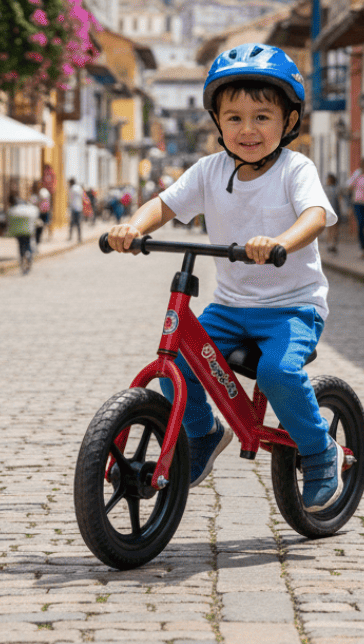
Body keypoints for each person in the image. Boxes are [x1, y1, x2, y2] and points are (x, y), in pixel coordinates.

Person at [106, 44, 343, 512]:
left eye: (262, 116)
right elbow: (164, 204)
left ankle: (320, 451)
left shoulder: (297, 169)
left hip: (292, 306)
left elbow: (316, 214)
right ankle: (203, 432)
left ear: (289, 121)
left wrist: (279, 242)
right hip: (231, 307)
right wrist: (134, 227)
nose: (248, 129)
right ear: (217, 122)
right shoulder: (210, 170)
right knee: (177, 364)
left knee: (278, 372)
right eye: (233, 118)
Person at [6, 192, 40, 272]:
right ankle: (28, 255)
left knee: (21, 245)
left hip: (18, 231)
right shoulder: (27, 207)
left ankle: (22, 258)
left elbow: (9, 219)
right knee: (27, 244)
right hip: (28, 230)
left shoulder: (13, 209)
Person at [322, 173, 341, 254]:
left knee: (331, 229)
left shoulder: (327, 189)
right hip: (332, 211)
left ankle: (331, 244)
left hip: (331, 211)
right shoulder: (335, 189)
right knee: (332, 229)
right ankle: (331, 244)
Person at [67, 178, 85, 242]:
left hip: (74, 208)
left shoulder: (71, 189)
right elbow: (83, 197)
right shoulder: (79, 188)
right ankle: (79, 237)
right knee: (78, 224)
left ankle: (70, 236)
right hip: (79, 207)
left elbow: (70, 199)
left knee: (72, 223)